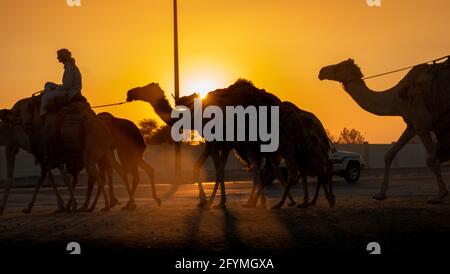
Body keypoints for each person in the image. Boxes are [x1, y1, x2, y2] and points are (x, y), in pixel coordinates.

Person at [40, 48, 82, 115]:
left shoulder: (70, 67)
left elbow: (67, 86)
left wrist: (56, 89)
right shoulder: (69, 66)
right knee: (48, 84)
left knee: (46, 96)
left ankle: (43, 114)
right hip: (68, 89)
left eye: (59, 56)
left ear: (63, 56)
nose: (57, 57)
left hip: (71, 92)